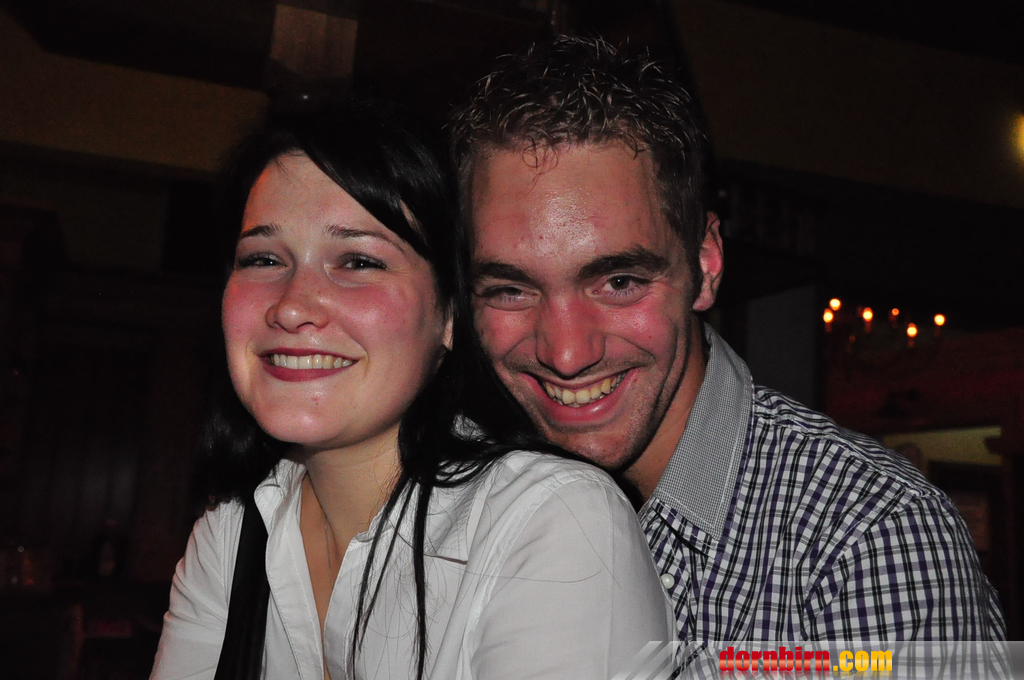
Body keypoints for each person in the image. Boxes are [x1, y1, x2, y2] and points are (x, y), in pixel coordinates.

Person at [451, 35, 1006, 650]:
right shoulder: (460, 502)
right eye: (511, 290)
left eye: (620, 281)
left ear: (706, 263)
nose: (566, 354)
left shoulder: (868, 540)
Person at [149, 92, 673, 680]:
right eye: (263, 260)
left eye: (358, 261)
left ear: (450, 313)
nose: (292, 307)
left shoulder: (553, 522)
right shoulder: (231, 534)